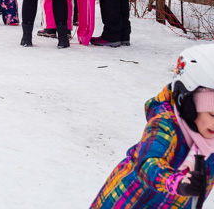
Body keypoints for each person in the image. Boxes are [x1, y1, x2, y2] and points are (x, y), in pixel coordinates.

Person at [90, 45, 214, 207]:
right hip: (127, 203)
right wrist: (177, 183)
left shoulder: (208, 136)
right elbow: (149, 164)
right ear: (187, 104)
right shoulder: (166, 125)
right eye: (212, 114)